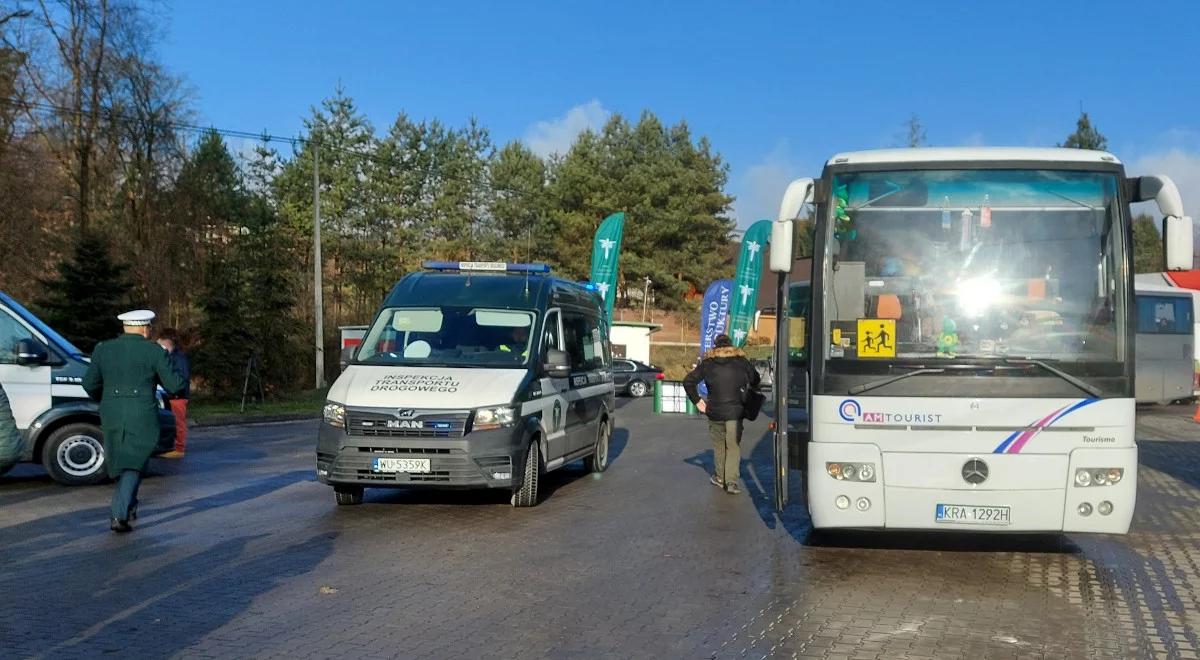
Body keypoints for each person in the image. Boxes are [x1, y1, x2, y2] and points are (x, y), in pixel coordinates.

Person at [83, 310, 186, 533]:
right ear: (144, 328)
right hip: (141, 414)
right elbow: (175, 385)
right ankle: (119, 514)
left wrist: (107, 398)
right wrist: (168, 359)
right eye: (149, 327)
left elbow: (89, 383)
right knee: (133, 461)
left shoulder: (103, 349)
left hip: (111, 411)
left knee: (127, 458)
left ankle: (129, 506)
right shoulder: (153, 351)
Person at [682, 334, 760, 495]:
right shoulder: (741, 362)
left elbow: (688, 381)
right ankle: (731, 482)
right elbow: (756, 379)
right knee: (732, 446)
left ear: (715, 346)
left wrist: (697, 401)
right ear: (731, 346)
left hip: (714, 411)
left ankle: (719, 477)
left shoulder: (708, 364)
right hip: (735, 412)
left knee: (719, 447)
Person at [156, 329, 191, 458]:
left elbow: (182, 378)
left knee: (178, 422)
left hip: (177, 396)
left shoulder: (178, 358)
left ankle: (179, 448)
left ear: (167, 341)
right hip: (169, 395)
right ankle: (171, 446)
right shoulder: (169, 356)